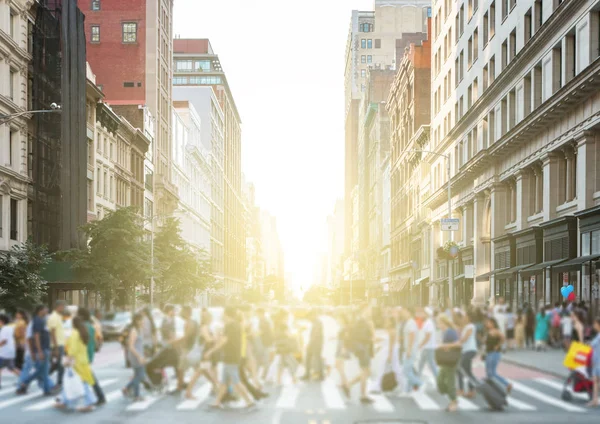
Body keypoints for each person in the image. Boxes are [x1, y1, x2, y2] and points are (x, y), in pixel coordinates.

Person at [203, 306, 256, 411]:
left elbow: (224, 341)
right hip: (234, 355)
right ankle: (217, 402)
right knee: (224, 381)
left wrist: (211, 351)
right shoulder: (237, 325)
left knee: (235, 380)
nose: (222, 315)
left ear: (226, 314)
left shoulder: (229, 325)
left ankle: (249, 401)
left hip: (230, 356)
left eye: (223, 313)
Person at [54, 316, 97, 412]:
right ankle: (64, 401)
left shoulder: (74, 333)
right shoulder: (83, 333)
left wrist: (67, 360)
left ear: (73, 324)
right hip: (83, 361)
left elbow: (73, 349)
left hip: (76, 363)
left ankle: (89, 402)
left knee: (79, 382)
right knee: (71, 381)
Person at [17, 305, 56, 395]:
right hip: (39, 351)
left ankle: (47, 388)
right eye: (45, 309)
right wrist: (38, 352)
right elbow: (34, 337)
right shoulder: (37, 321)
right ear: (40, 311)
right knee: (41, 370)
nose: (47, 310)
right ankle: (24, 383)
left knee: (43, 370)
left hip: (41, 350)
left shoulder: (41, 321)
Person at [342, 304, 374, 403]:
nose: (371, 312)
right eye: (369, 309)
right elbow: (362, 337)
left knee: (367, 372)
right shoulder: (362, 322)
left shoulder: (359, 321)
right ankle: (363, 395)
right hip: (362, 349)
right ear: (364, 310)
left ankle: (348, 384)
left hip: (362, 349)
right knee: (365, 371)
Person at [185, 308, 218, 399]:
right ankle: (188, 392)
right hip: (205, 353)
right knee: (199, 372)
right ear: (209, 318)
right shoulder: (204, 327)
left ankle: (216, 387)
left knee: (206, 371)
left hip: (207, 353)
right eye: (210, 317)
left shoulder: (206, 327)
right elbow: (208, 339)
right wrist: (216, 337)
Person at [77, 308, 106, 405]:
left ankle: (100, 396)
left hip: (82, 355)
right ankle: (66, 398)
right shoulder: (91, 326)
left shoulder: (82, 327)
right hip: (89, 354)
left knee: (87, 377)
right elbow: (95, 342)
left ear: (81, 316)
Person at [436, 314, 460, 412]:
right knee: (440, 381)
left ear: (443, 322)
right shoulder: (445, 332)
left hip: (450, 360)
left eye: (439, 323)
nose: (438, 325)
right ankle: (452, 396)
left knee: (450, 382)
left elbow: (458, 344)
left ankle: (453, 401)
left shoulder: (450, 331)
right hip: (445, 360)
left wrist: (443, 345)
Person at [122, 313, 146, 402]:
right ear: (137, 320)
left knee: (138, 375)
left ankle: (127, 389)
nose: (143, 321)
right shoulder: (134, 331)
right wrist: (139, 356)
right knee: (140, 375)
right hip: (135, 356)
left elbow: (139, 344)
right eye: (142, 319)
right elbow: (131, 346)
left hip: (139, 355)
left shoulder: (139, 329)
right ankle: (136, 395)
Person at [484, 317, 512, 393]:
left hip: (494, 353)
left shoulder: (496, 331)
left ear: (493, 323)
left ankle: (507, 384)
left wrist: (498, 345)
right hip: (489, 353)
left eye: (488, 322)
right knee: (489, 373)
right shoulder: (489, 331)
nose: (487, 324)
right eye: (487, 322)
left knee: (492, 373)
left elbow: (503, 338)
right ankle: (491, 388)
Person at [456, 311, 478, 399]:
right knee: (465, 370)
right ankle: (468, 389)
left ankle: (470, 388)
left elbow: (465, 338)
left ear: (469, 317)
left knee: (461, 368)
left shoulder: (471, 326)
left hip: (470, 350)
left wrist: (455, 343)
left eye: (465, 316)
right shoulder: (465, 326)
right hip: (465, 351)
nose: (463, 317)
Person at [400, 307, 422, 393]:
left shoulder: (411, 323)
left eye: (404, 311)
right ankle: (408, 390)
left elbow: (412, 336)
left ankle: (420, 383)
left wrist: (408, 350)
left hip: (410, 350)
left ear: (409, 312)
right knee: (409, 370)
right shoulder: (410, 322)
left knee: (406, 370)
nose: (402, 313)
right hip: (410, 349)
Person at [47, 300, 67, 388]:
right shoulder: (53, 317)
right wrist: (56, 348)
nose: (64, 308)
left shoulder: (58, 316)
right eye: (63, 306)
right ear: (58, 307)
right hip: (57, 345)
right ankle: (59, 382)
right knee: (60, 365)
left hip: (60, 344)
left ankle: (45, 377)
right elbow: (52, 333)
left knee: (58, 365)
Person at [302, 309, 324, 381]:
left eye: (309, 317)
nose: (309, 319)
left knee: (315, 358)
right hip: (315, 343)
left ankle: (318, 375)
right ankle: (311, 374)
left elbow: (315, 335)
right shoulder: (316, 322)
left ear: (313, 315)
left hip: (315, 344)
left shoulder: (317, 323)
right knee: (313, 358)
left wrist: (309, 344)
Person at [417, 307, 438, 379]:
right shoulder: (427, 322)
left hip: (429, 347)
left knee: (431, 364)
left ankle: (439, 379)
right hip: (427, 347)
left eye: (423, 313)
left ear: (426, 314)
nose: (421, 314)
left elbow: (428, 337)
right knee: (421, 363)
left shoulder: (428, 323)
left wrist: (420, 345)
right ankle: (417, 378)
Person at [0, 314, 20, 389]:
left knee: (11, 367)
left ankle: (24, 379)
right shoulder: (9, 328)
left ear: (2, 321)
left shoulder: (5, 329)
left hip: (5, 353)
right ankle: (23, 379)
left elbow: (4, 341)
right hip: (8, 352)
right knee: (11, 367)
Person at [587, 317, 600, 408]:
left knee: (596, 381)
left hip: (598, 361)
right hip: (596, 361)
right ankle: (595, 400)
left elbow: (593, 345)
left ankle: (595, 400)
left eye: (595, 324)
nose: (594, 325)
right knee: (596, 381)